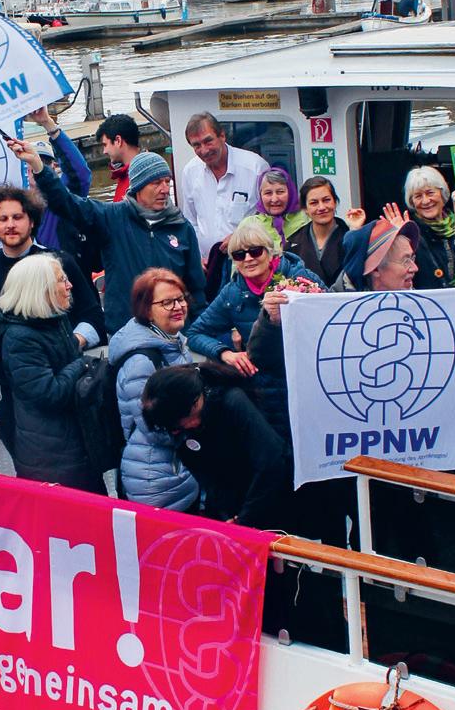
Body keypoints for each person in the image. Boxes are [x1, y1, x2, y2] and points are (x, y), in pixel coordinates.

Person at [7, 141, 205, 334]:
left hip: (176, 334)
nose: (165, 189)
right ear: (138, 186)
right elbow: (67, 203)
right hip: (126, 332)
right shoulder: (111, 217)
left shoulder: (181, 227)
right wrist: (39, 167)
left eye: (167, 182)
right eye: (156, 183)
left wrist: (197, 333)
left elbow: (196, 289)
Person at [0, 255, 98, 490]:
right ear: (41, 289)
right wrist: (83, 364)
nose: (69, 285)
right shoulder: (20, 338)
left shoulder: (55, 319)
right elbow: (50, 393)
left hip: (74, 445)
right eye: (62, 280)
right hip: (51, 459)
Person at [140, 364, 291, 528]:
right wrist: (229, 516)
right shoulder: (175, 424)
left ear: (195, 402)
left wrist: (245, 519)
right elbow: (206, 477)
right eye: (175, 427)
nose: (189, 426)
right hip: (231, 506)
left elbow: (271, 460)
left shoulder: (232, 401)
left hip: (267, 499)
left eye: (187, 419)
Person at [107, 269, 200, 510]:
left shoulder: (172, 341)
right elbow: (152, 428)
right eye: (167, 302)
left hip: (176, 469)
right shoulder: (141, 362)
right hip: (153, 480)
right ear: (146, 310)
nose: (178, 307)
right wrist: (196, 426)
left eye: (180, 298)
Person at [0, 183, 104, 348]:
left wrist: (72, 344)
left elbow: (93, 315)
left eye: (17, 217)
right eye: (3, 219)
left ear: (32, 221)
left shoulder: (62, 262)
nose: (10, 225)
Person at [187, 218, 323, 374]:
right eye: (239, 255)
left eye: (255, 251)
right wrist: (225, 353)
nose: (248, 259)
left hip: (308, 369)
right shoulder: (232, 292)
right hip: (262, 377)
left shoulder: (300, 277)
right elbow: (194, 334)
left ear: (270, 253)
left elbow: (332, 312)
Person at [177, 112, 270, 255]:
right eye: (197, 145)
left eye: (208, 141)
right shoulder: (190, 171)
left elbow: (270, 219)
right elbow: (191, 222)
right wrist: (196, 257)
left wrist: (242, 236)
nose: (204, 150)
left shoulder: (255, 168)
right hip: (208, 262)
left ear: (222, 135)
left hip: (248, 259)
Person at [25, 105, 96, 266]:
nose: (36, 167)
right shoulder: (16, 206)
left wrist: (47, 122)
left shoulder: (65, 197)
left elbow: (80, 173)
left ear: (54, 167)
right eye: (31, 162)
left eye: (44, 162)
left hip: (65, 273)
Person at [401, 167, 455, 289]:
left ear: (442, 194)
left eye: (430, 193)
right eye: (418, 196)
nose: (426, 201)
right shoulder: (412, 234)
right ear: (412, 202)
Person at [287, 176, 351, 287]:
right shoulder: (292, 245)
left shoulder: (351, 236)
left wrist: (355, 231)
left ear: (335, 202)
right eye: (314, 203)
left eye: (326, 200)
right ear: (305, 209)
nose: (321, 207)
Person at [338, 215, 421, 291]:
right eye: (405, 261)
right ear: (375, 269)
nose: (415, 268)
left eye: (412, 258)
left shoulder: (421, 301)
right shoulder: (335, 302)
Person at [251, 166, 308, 249]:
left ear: (290, 192)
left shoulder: (307, 218)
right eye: (268, 193)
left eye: (280, 192)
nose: (274, 199)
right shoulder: (250, 225)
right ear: (260, 195)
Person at [95, 113, 141, 202]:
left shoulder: (136, 180)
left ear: (118, 141)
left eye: (105, 145)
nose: (104, 151)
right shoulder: (129, 175)